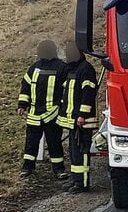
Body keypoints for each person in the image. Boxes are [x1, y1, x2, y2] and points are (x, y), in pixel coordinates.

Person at [18, 40, 68, 179]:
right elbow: (26, 87)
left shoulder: (61, 68)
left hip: (52, 114)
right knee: (31, 143)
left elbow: (67, 91)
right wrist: (22, 104)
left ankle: (59, 169)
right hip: (34, 114)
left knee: (54, 143)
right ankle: (27, 167)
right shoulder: (34, 68)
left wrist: (62, 108)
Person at [57, 41, 99, 193]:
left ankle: (83, 184)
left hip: (82, 121)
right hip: (72, 120)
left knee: (81, 152)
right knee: (74, 153)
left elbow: (88, 94)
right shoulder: (71, 70)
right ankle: (76, 181)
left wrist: (82, 115)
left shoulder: (85, 69)